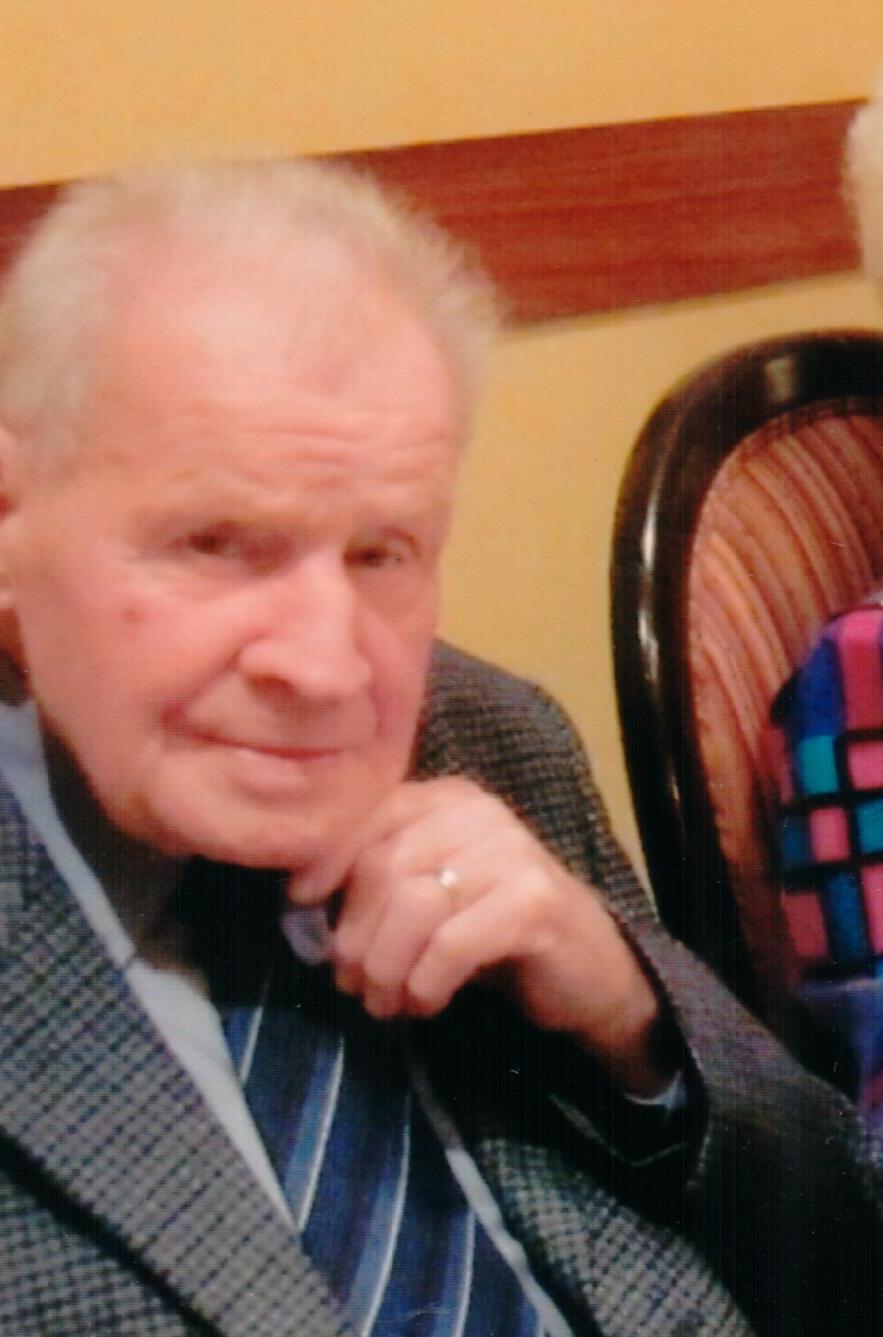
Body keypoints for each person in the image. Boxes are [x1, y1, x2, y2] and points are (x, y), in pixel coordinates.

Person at [0, 160, 879, 1337]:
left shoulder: (483, 732)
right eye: (216, 542)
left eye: (382, 553)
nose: (326, 667)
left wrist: (632, 1018)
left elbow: (848, 1259)